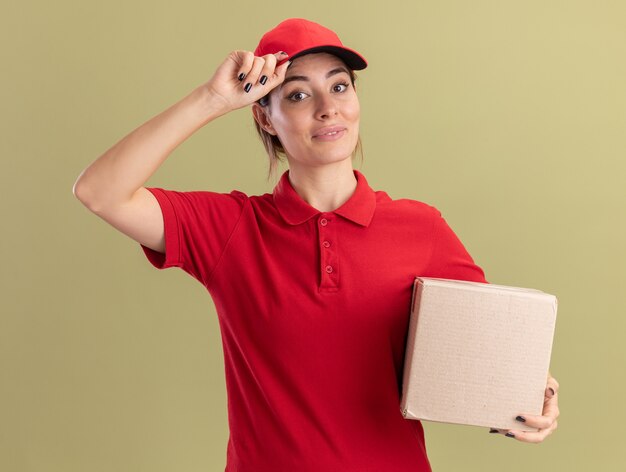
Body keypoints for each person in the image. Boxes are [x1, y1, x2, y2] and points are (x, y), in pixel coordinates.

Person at [73, 17, 559, 472]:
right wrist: (212, 99)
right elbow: (100, 192)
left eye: (339, 85)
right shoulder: (230, 229)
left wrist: (530, 400)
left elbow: (491, 360)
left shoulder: (422, 228)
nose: (328, 108)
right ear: (265, 118)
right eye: (298, 95)